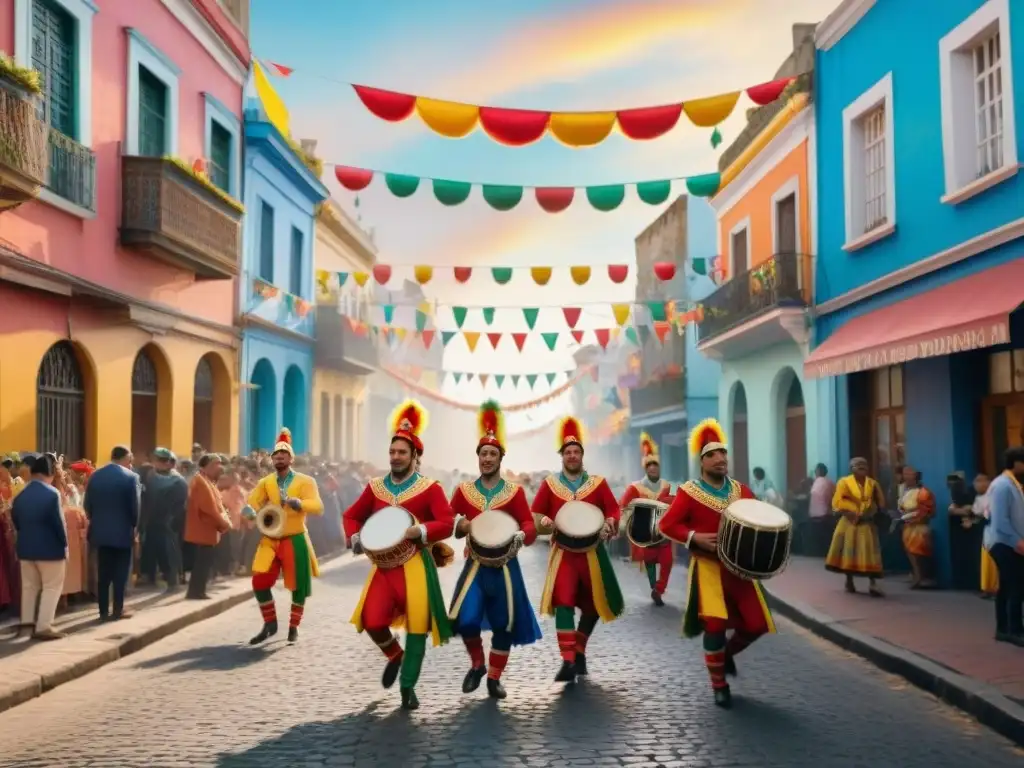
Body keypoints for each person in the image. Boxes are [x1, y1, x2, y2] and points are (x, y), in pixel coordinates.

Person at [344, 400, 455, 711]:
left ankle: (408, 687)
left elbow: (446, 523)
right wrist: (353, 536)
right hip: (382, 569)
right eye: (392, 452)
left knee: (418, 627)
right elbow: (352, 515)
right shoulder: (375, 487)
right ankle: (396, 655)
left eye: (401, 453)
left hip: (415, 566)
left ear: (414, 456)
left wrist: (420, 530)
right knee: (371, 619)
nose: (395, 457)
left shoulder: (430, 488)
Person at [657, 418, 775, 709]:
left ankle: (726, 656)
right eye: (713, 454)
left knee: (758, 624)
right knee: (715, 625)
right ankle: (719, 685)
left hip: (740, 569)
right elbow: (667, 525)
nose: (721, 458)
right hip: (708, 567)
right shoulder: (689, 492)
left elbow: (758, 521)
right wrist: (694, 537)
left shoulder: (742, 490)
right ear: (702, 460)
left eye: (723, 453)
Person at [448, 401, 542, 700]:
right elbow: (448, 519)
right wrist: (459, 526)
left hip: (505, 567)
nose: (487, 459)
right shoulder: (464, 491)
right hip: (474, 565)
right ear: (477, 458)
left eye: (492, 454)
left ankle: (494, 678)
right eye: (483, 454)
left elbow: (528, 523)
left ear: (501, 458)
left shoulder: (514, 492)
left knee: (505, 623)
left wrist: (520, 536)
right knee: (465, 619)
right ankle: (477, 665)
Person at [531, 416, 624, 683]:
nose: (572, 456)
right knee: (564, 602)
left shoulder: (598, 483)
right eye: (568, 452)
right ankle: (568, 660)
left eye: (576, 452)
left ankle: (579, 649)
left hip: (593, 552)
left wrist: (610, 521)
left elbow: (613, 508)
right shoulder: (550, 484)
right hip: (564, 553)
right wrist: (545, 522)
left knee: (594, 605)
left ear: (582, 456)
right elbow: (536, 515)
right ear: (562, 456)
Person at [244, 428, 324, 645]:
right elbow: (252, 501)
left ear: (291, 458)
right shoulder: (266, 482)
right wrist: (249, 510)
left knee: (298, 585)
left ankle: (294, 626)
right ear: (271, 459)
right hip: (270, 538)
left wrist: (300, 504)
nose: (279, 457)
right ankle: (270, 624)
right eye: (275, 455)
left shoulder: (306, 481)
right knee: (259, 581)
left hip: (294, 537)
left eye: (283, 454)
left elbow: (318, 506)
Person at [11, 454, 67, 640]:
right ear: (49, 474)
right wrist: (65, 546)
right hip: (50, 549)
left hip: (25, 549)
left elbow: (16, 523)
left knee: (29, 587)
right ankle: (44, 625)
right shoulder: (52, 494)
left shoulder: (20, 496)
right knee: (51, 587)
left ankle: (26, 623)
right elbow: (59, 524)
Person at [84, 446, 140, 621]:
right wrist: (134, 528)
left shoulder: (95, 476)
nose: (131, 463)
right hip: (123, 532)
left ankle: (102, 611)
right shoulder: (131, 477)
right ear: (125, 458)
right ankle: (118, 609)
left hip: (100, 532)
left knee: (104, 573)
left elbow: (87, 505)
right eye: (130, 459)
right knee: (120, 573)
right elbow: (135, 508)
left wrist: (96, 520)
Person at [618, 431, 673, 606]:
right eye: (649, 466)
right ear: (645, 468)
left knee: (667, 561)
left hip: (663, 532)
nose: (653, 468)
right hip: (644, 532)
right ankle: (653, 586)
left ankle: (659, 590)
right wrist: (622, 524)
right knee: (650, 561)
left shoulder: (666, 485)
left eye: (655, 465)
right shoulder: (635, 487)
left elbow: (673, 503)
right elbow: (624, 505)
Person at [825, 457, 886, 597]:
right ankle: (849, 581)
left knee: (871, 554)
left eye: (864, 464)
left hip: (867, 522)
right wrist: (850, 513)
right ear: (851, 468)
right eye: (857, 465)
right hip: (849, 523)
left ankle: (873, 584)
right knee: (849, 552)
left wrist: (876, 511)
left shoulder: (873, 483)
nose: (861, 466)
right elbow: (838, 502)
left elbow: (881, 502)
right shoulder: (844, 482)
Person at [987, 446, 1024, 646]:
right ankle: (1015, 630)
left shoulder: (1012, 484)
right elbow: (1000, 521)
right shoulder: (1003, 486)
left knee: (1007, 586)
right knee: (1016, 585)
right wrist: (1017, 542)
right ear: (1016, 463)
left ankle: (1003, 628)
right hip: (1005, 543)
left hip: (1009, 543)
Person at [139, 448, 188, 592]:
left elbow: (180, 504)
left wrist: (174, 521)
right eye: (157, 460)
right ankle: (149, 576)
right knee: (149, 549)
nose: (159, 463)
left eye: (163, 461)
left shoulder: (177, 480)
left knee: (169, 550)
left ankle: (173, 578)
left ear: (169, 463)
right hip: (151, 520)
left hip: (168, 521)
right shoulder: (149, 476)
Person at [184, 454, 231, 600]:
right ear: (209, 465)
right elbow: (209, 509)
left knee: (204, 562)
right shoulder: (201, 482)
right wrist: (224, 523)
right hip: (204, 529)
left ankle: (198, 591)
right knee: (202, 563)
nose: (220, 467)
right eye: (218, 463)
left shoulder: (206, 481)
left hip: (208, 529)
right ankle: (196, 592)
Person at [896, 466, 936, 589]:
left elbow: (929, 512)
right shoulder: (903, 491)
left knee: (919, 552)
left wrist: (912, 517)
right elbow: (901, 508)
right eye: (905, 474)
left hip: (919, 526)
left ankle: (921, 577)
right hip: (908, 527)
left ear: (916, 476)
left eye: (909, 474)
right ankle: (917, 576)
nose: (906, 476)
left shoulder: (924, 492)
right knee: (910, 553)